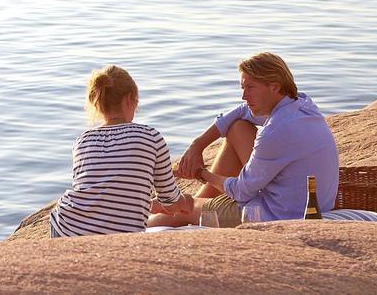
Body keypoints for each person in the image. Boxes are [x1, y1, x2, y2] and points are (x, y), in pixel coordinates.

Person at [147, 52, 339, 228]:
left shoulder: (274, 132)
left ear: (274, 86)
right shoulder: (303, 104)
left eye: (250, 88)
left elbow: (241, 191)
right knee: (238, 126)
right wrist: (198, 145)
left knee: (183, 211)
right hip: (298, 201)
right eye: (243, 87)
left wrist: (200, 173)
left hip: (278, 216)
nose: (244, 95)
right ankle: (199, 201)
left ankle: (139, 228)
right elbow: (240, 111)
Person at [50, 65, 193, 236]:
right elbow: (171, 200)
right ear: (129, 99)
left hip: (66, 229)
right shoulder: (151, 137)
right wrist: (184, 202)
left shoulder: (82, 140)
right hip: (114, 238)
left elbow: (98, 195)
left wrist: (152, 205)